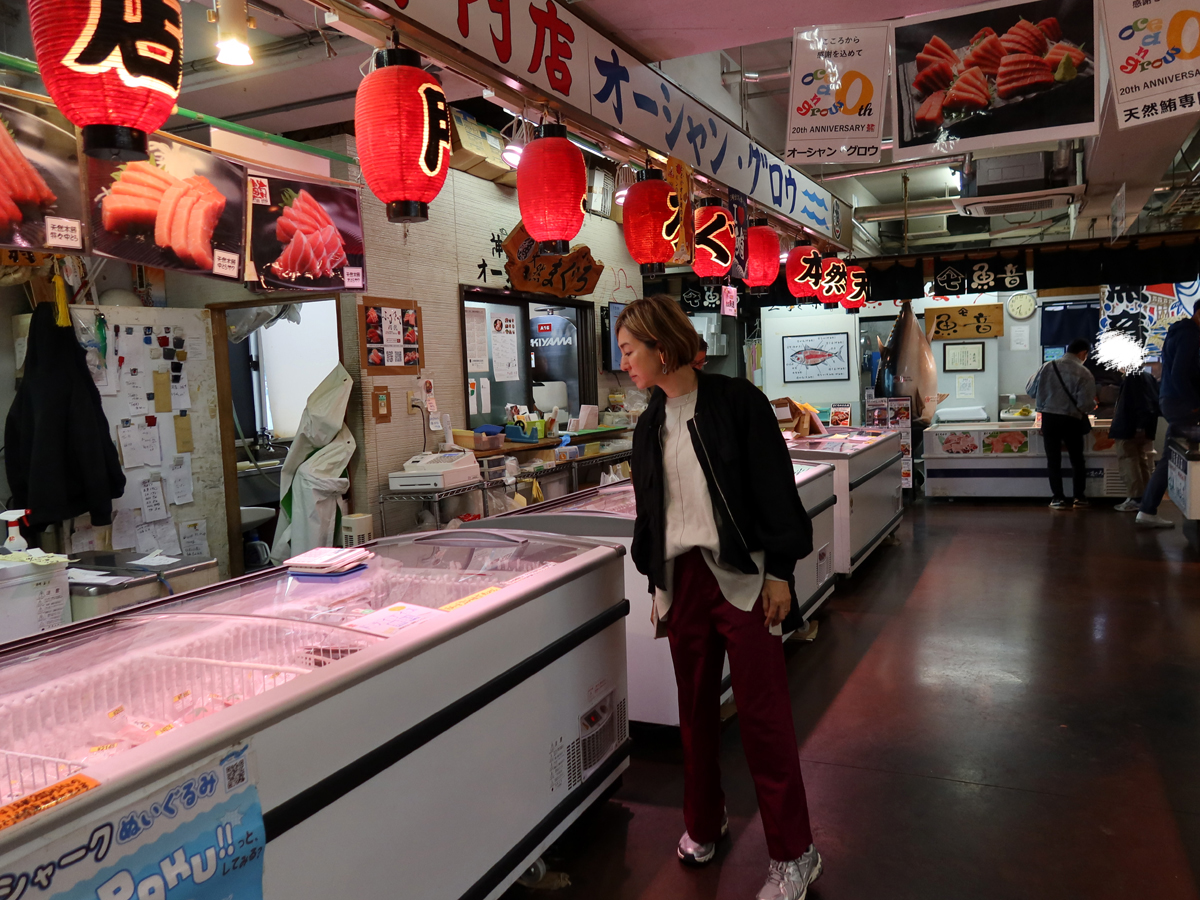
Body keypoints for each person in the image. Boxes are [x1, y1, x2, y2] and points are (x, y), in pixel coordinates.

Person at [618, 296, 821, 900]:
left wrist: (781, 570)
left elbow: (773, 489)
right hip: (683, 585)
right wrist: (656, 579)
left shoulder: (738, 404)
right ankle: (704, 823)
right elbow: (651, 512)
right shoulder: (650, 421)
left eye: (630, 351)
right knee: (695, 714)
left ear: (661, 346)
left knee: (763, 717)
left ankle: (795, 853)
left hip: (743, 577)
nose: (624, 362)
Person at [1137, 304, 1200, 528]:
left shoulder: (1178, 333)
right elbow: (1181, 372)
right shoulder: (1190, 334)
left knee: (1168, 459)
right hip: (1183, 405)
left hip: (1171, 401)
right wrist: (1194, 404)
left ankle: (1147, 510)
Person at [1027, 338, 1097, 509]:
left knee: (1053, 459)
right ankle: (1079, 497)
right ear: (1083, 353)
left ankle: (1057, 498)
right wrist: (1090, 405)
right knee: (1077, 460)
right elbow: (1085, 405)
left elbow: (1030, 391)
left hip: (1049, 419)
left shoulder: (1046, 367)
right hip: (1072, 420)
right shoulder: (1084, 373)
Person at [1109, 366, 1160, 512]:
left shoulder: (1132, 378)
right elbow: (1151, 404)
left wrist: (1139, 427)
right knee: (1141, 461)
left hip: (1128, 428)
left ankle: (1135, 498)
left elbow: (1139, 404)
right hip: (1140, 428)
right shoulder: (1147, 376)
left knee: (1128, 461)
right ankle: (1144, 497)